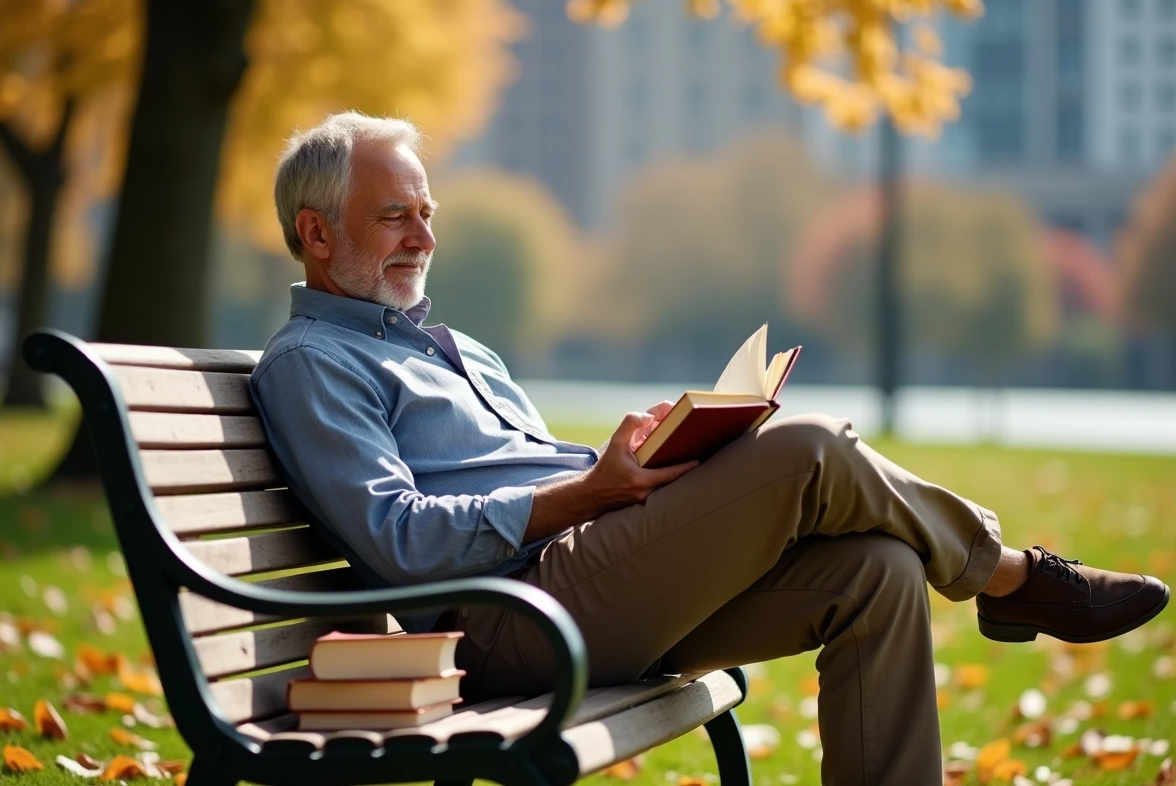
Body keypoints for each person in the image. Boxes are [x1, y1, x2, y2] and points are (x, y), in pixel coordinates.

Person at [249, 112, 1169, 785]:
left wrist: (643, 459)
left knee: (878, 569)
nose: (426, 237)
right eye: (394, 217)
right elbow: (397, 538)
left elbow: (527, 470)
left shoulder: (453, 346)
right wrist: (593, 496)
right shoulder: (313, 363)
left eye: (426, 210)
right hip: (506, 620)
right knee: (809, 448)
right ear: (317, 233)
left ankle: (997, 582)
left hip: (585, 580)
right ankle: (1012, 579)